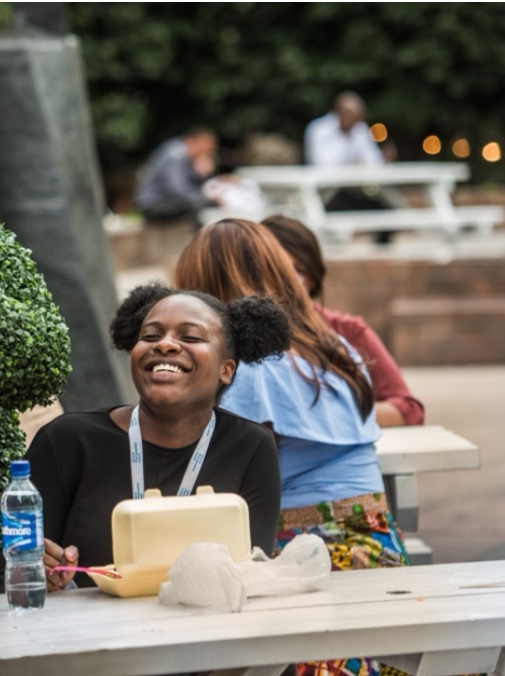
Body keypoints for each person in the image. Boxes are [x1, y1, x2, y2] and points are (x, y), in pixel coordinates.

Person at [173, 218, 409, 676]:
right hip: (376, 544)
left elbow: (207, 484)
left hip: (308, 559)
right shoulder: (332, 346)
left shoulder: (249, 370)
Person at [0, 284, 291, 594]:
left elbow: (252, 575)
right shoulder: (67, 440)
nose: (165, 345)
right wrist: (35, 575)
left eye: (190, 337)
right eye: (150, 336)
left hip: (203, 634)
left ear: (226, 370)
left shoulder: (250, 447)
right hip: (84, 637)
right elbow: (5, 582)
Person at [262, 214, 424, 427]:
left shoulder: (348, 331)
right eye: (278, 270)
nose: (290, 282)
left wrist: (332, 417)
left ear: (314, 276)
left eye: (299, 270)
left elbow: (408, 409)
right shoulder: (236, 330)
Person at [305, 91, 395, 243]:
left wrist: (382, 159)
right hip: (326, 194)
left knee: (386, 211)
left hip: (353, 189)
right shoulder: (318, 130)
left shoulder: (359, 129)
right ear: (341, 112)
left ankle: (379, 255)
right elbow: (323, 168)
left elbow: (371, 161)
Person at [134, 126, 223, 226]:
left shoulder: (184, 156)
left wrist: (201, 174)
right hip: (153, 205)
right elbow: (178, 192)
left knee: (200, 206)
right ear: (197, 142)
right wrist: (207, 199)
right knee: (197, 207)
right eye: (208, 148)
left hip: (166, 201)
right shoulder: (175, 156)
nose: (210, 152)